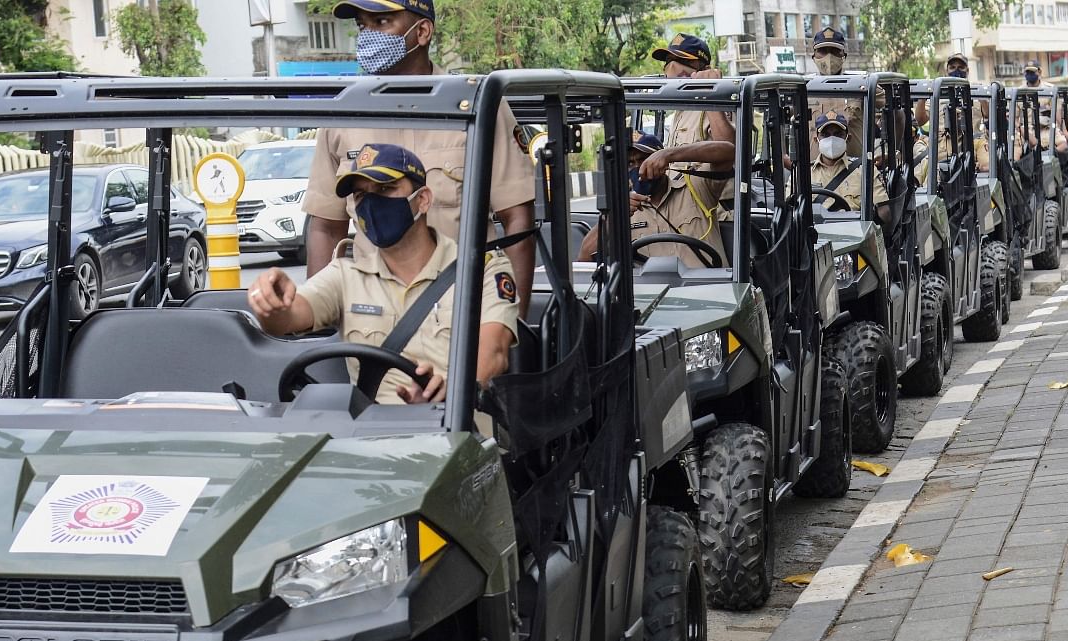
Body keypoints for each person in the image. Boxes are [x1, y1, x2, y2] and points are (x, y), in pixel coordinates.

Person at [301, 0, 536, 316]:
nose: (368, 35)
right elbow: (326, 228)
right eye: (362, 25)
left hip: (463, 317)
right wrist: (318, 322)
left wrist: (513, 326)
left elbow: (517, 219)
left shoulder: (477, 107)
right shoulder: (343, 114)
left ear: (422, 31)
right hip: (371, 320)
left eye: (382, 23)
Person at [249, 143, 518, 405]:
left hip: (459, 431)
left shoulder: (481, 269)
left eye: (385, 189)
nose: (373, 204)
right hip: (373, 439)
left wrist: (453, 390)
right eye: (362, 196)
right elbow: (287, 319)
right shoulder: (346, 275)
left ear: (422, 200)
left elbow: (494, 353)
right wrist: (271, 302)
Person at [577, 131, 734, 267]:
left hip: (709, 291)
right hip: (653, 297)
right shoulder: (622, 209)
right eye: (630, 163)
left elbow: (729, 152)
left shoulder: (696, 188)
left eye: (646, 160)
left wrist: (669, 154)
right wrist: (614, 216)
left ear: (662, 163)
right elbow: (585, 257)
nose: (640, 168)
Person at [650, 34, 736, 150]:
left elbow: (729, 150)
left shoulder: (717, 104)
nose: (672, 66)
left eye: (682, 60)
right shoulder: (680, 109)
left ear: (704, 69)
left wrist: (709, 93)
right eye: (669, 60)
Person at [810, 112, 889, 215]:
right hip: (815, 229)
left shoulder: (865, 170)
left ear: (848, 138)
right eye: (825, 135)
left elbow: (884, 212)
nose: (832, 139)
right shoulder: (803, 174)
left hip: (853, 228)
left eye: (838, 134)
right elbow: (791, 209)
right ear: (816, 140)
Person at [807, 27, 865, 157]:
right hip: (812, 172)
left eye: (834, 51)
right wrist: (783, 156)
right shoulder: (803, 88)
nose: (829, 57)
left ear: (843, 55)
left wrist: (889, 155)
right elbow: (778, 120)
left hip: (854, 171)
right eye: (822, 51)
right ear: (814, 56)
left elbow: (897, 114)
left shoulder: (861, 85)